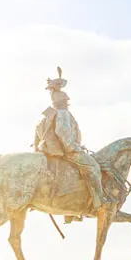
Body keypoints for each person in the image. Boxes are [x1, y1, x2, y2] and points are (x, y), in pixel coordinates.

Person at [33, 70, 105, 212]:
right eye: (67, 101)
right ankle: (98, 202)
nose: (68, 103)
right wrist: (73, 147)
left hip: (47, 150)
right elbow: (62, 132)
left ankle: (72, 211)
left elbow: (36, 134)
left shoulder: (47, 115)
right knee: (93, 167)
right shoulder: (63, 113)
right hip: (66, 150)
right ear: (63, 101)